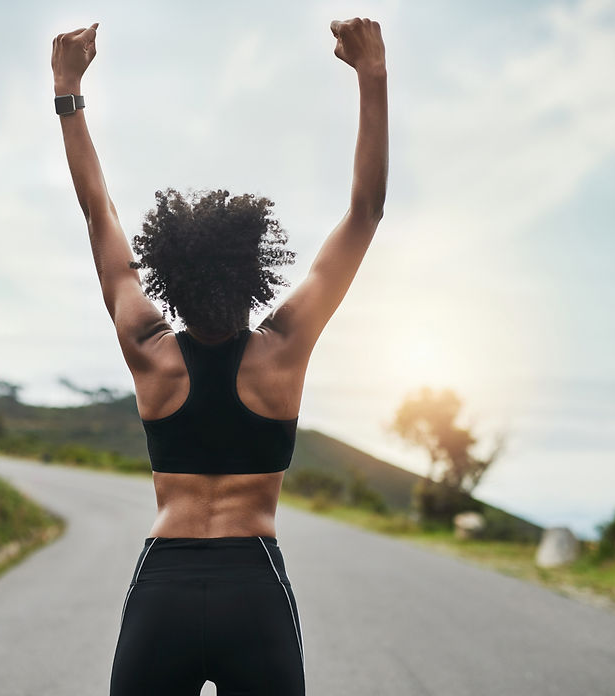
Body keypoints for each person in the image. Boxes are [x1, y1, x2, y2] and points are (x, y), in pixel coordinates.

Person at [51, 16, 387, 696]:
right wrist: (372, 78)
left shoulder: (151, 353)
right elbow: (365, 212)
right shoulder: (282, 351)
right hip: (252, 584)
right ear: (253, 272)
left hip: (165, 586)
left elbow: (100, 217)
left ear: (169, 279)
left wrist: (67, 91)